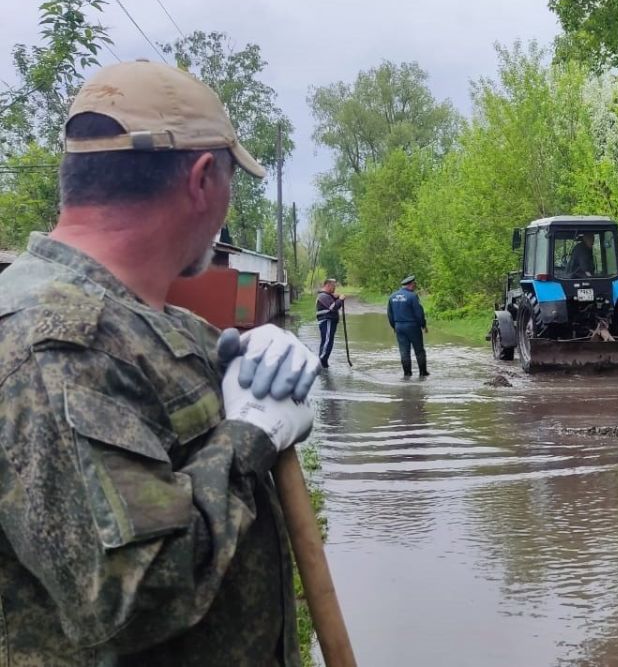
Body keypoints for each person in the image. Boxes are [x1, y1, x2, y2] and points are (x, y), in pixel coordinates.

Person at [0, 60, 320, 666]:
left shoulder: (149, 322)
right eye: (232, 179)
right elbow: (133, 594)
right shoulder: (50, 346)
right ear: (203, 179)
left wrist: (256, 355)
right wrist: (251, 436)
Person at [387, 274, 429, 377]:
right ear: (411, 284)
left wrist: (394, 327)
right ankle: (423, 373)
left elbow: (389, 314)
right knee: (419, 350)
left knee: (404, 351)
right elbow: (419, 313)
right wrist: (423, 325)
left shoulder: (392, 296)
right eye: (414, 283)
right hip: (412, 326)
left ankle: (407, 374)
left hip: (399, 327)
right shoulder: (412, 296)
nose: (415, 285)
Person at [315, 278, 345, 368]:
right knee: (327, 341)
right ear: (328, 285)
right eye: (333, 286)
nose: (335, 288)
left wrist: (335, 297)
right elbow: (333, 307)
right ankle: (322, 361)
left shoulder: (326, 295)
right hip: (327, 320)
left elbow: (332, 302)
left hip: (328, 321)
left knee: (327, 341)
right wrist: (340, 300)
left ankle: (323, 362)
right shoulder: (323, 296)